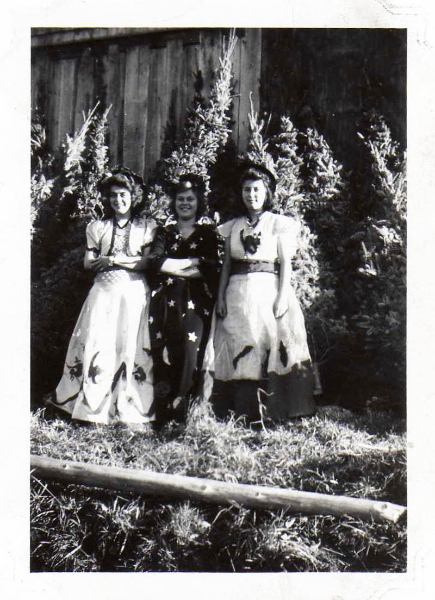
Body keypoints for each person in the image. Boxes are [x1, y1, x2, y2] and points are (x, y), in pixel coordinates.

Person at [209, 161, 316, 423]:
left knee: (264, 343)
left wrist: (282, 296)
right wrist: (221, 296)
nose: (251, 195)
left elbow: (285, 263)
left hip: (267, 291)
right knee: (238, 344)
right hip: (236, 294)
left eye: (257, 190)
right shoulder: (232, 227)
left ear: (266, 192)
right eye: (247, 190)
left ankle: (270, 410)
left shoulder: (278, 224)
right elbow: (226, 266)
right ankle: (239, 409)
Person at [47, 167, 157, 424]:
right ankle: (91, 408)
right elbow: (89, 262)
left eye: (124, 195)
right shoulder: (98, 227)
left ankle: (129, 410)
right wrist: (113, 261)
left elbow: (147, 262)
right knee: (100, 344)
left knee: (129, 346)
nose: (118, 200)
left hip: (133, 294)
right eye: (114, 195)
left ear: (134, 196)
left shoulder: (146, 227)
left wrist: (114, 259)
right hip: (104, 294)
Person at [148, 174, 221, 422]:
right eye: (180, 199)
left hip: (197, 302)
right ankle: (164, 412)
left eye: (190, 199)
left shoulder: (208, 234)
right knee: (169, 349)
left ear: (198, 202)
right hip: (166, 302)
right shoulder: (164, 232)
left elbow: (210, 267)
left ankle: (188, 411)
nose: (185, 203)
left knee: (193, 352)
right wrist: (192, 263)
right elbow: (156, 262)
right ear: (174, 202)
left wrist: (175, 265)